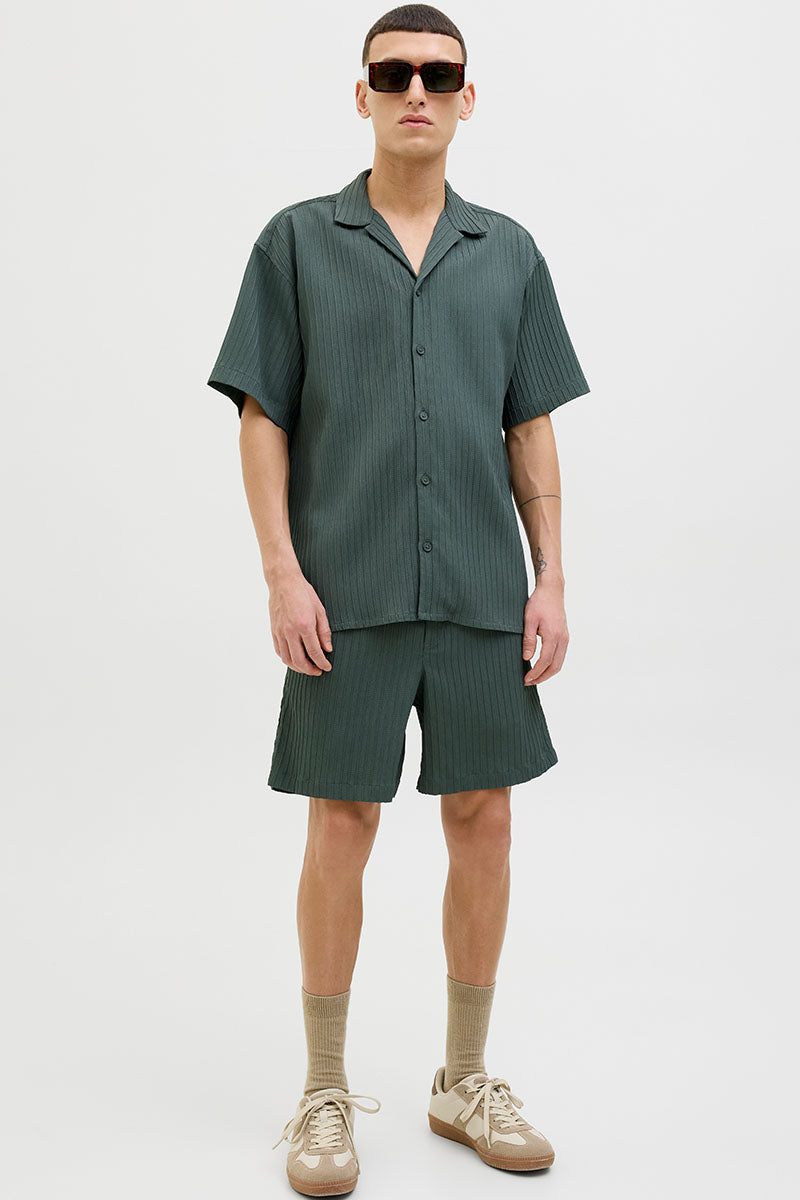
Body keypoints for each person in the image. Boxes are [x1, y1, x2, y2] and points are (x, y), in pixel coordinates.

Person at [207, 5, 590, 1194]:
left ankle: (461, 1080)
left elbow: (528, 424)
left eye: (436, 73)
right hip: (347, 593)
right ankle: (323, 1091)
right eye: (392, 73)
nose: (413, 90)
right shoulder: (295, 243)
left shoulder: (508, 252)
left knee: (485, 821)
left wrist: (550, 577)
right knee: (341, 826)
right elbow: (261, 416)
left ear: (467, 97)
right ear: (362, 93)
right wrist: (280, 570)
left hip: (480, 592)